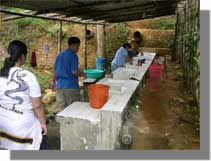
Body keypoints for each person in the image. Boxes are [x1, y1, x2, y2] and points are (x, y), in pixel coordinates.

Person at [0, 40, 47, 150]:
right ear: (22, 56)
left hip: (3, 124)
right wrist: (43, 123)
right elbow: (37, 105)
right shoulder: (28, 76)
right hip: (23, 127)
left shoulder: (1, 75)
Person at [50, 37, 84, 112]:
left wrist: (52, 82)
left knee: (62, 111)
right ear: (73, 45)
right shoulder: (73, 56)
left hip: (60, 87)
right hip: (71, 87)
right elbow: (74, 71)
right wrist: (84, 74)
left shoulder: (60, 55)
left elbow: (55, 70)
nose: (78, 49)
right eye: (78, 46)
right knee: (73, 110)